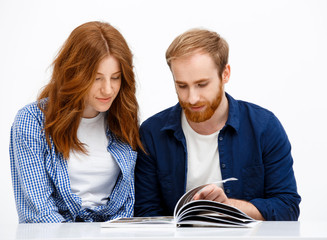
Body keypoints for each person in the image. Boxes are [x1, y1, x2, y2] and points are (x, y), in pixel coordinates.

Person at [134, 28, 301, 221]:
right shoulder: (152, 134)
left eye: (202, 84)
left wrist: (228, 207)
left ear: (225, 74)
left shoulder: (264, 127)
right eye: (182, 86)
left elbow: (287, 208)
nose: (192, 98)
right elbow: (146, 214)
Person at [9, 21, 143, 223]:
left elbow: (127, 204)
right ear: (74, 73)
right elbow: (39, 212)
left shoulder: (123, 118)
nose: (108, 90)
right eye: (97, 78)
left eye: (115, 78)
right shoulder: (32, 120)